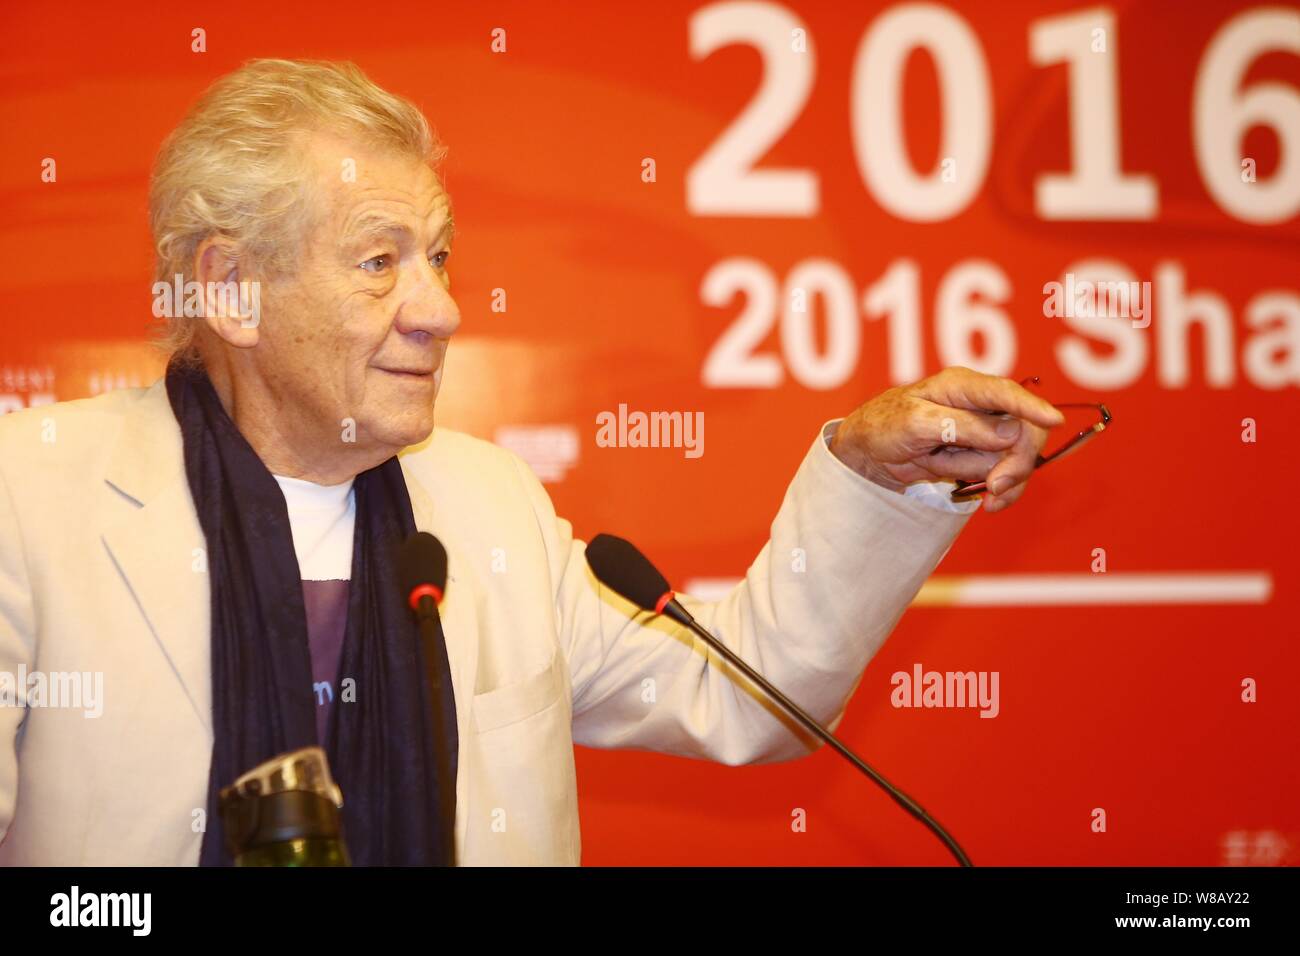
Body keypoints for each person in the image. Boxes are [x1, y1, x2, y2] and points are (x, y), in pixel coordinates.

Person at [0, 59, 1062, 865]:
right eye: (381, 262)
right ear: (228, 289)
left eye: (441, 255)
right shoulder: (32, 497)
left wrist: (872, 475)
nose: (443, 309)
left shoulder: (488, 506)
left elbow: (748, 699)